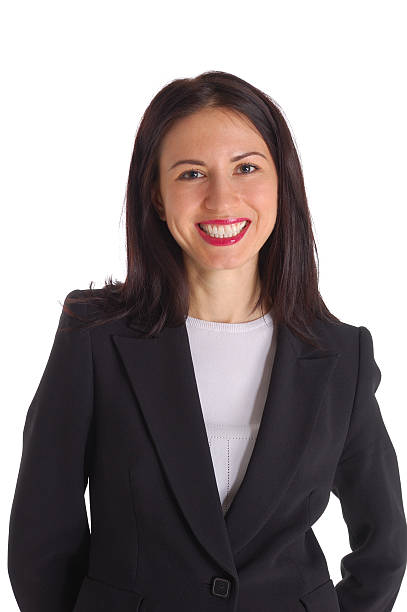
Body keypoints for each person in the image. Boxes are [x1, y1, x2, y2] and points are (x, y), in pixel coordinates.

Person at [8, 70, 407, 612]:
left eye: (246, 168)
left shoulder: (342, 356)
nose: (222, 199)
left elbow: (383, 542)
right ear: (156, 194)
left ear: (281, 182)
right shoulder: (94, 335)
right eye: (192, 173)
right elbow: (41, 537)